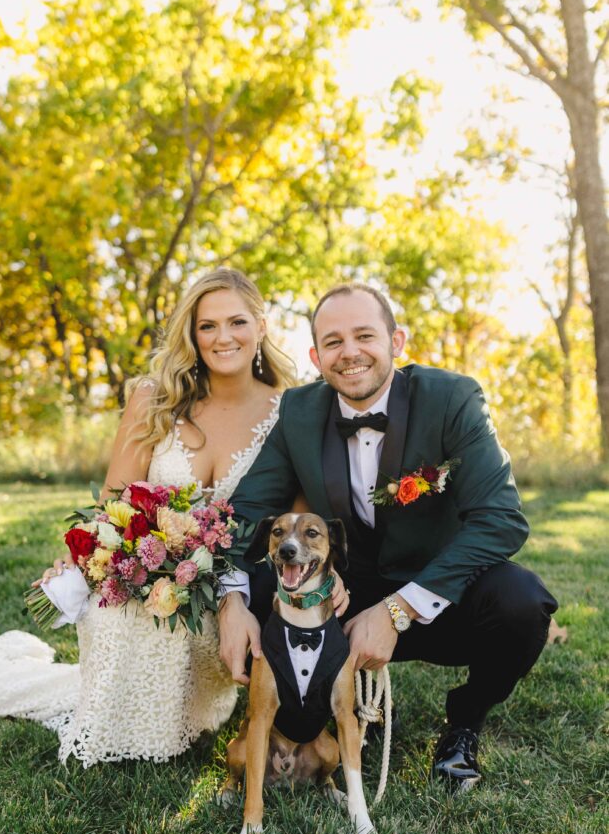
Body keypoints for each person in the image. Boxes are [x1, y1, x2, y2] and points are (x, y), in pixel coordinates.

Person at [0, 268, 347, 766]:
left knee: (166, 619)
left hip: (225, 591)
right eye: (206, 326)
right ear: (191, 334)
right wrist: (78, 559)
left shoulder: (290, 412)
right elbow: (113, 501)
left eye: (236, 322)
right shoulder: (155, 398)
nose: (222, 337)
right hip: (138, 570)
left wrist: (323, 577)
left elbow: (299, 523)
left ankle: (170, 719)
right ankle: (112, 725)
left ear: (260, 325)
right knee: (118, 609)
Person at [218, 281, 558, 790]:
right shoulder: (299, 412)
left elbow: (501, 518)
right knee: (257, 589)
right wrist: (230, 602)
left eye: (364, 336)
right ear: (316, 356)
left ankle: (464, 722)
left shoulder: (452, 398)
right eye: (333, 342)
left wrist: (398, 609)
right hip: (336, 602)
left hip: (436, 596)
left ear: (396, 342)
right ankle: (316, 719)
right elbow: (244, 512)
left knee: (522, 603)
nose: (349, 352)